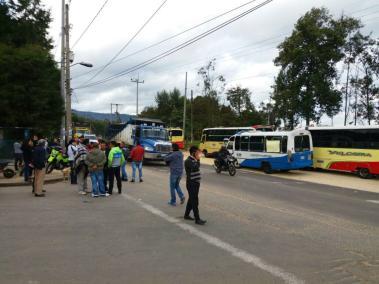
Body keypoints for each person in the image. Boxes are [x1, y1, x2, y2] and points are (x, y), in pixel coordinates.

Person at [184, 146, 206, 225]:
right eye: (197, 152)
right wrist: (198, 159)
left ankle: (186, 215)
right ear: (193, 153)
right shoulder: (188, 161)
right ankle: (197, 219)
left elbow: (197, 166)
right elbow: (196, 167)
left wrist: (197, 159)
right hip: (191, 183)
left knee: (191, 199)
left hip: (196, 183)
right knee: (195, 201)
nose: (199, 154)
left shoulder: (193, 160)